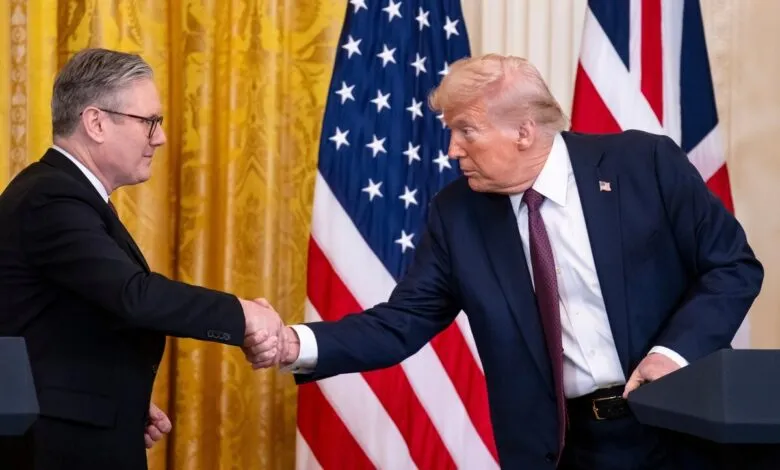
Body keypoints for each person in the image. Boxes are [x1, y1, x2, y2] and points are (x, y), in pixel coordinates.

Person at [248, 54, 764, 469]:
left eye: (466, 131)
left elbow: (733, 267)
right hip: (559, 446)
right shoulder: (457, 216)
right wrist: (296, 342)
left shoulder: (642, 164)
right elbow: (400, 323)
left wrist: (671, 356)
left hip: (672, 430)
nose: (452, 150)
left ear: (523, 131)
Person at [0, 48, 282, 470]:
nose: (160, 137)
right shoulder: (50, 197)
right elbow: (133, 295)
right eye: (149, 121)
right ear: (95, 122)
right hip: (53, 448)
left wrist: (116, 394)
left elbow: (60, 320)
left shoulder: (63, 193)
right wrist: (241, 316)